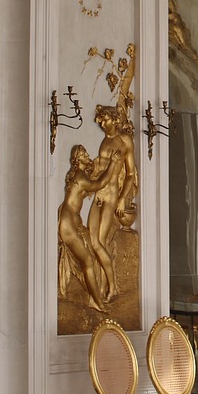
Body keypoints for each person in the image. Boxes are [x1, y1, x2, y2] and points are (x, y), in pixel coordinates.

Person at [86, 105, 137, 305]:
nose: (101, 123)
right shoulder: (104, 140)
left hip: (111, 195)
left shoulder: (125, 141)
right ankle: (102, 286)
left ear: (115, 120)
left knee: (99, 241)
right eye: (100, 119)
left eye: (104, 119)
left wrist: (123, 198)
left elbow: (130, 173)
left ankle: (112, 286)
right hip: (99, 192)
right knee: (93, 242)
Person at [58, 144, 108, 310]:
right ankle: (96, 302)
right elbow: (99, 184)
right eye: (84, 154)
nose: (87, 155)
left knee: (90, 258)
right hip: (68, 224)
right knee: (87, 261)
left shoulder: (79, 176)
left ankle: (95, 297)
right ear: (77, 159)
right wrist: (114, 164)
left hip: (72, 221)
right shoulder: (80, 177)